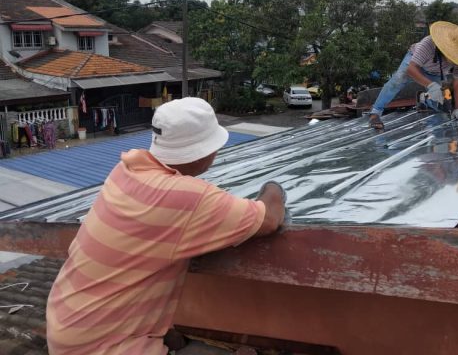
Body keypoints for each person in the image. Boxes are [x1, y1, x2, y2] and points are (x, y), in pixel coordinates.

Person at [46, 97, 286, 355]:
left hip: (65, 325)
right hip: (103, 348)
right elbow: (270, 220)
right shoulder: (190, 197)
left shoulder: (125, 170)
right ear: (206, 151)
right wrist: (274, 187)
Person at [369, 21, 458, 130]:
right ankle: (375, 113)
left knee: (441, 104)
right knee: (398, 80)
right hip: (414, 63)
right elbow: (411, 69)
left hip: (435, 72)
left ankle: (423, 98)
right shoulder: (428, 43)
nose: (455, 58)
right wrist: (431, 85)